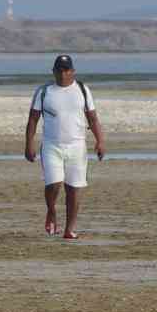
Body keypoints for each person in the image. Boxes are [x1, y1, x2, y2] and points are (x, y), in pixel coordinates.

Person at [24, 54, 106, 240]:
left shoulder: (82, 90)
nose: (63, 74)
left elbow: (92, 118)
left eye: (67, 70)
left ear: (73, 72)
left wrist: (100, 141)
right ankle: (51, 211)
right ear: (53, 72)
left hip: (77, 146)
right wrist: (29, 144)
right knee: (54, 183)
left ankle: (69, 229)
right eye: (59, 70)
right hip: (52, 145)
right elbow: (33, 119)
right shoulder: (44, 92)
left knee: (74, 188)